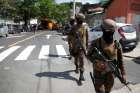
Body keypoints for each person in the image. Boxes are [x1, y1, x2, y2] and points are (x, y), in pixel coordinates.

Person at [87, 19, 126, 93]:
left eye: (112, 32)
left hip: (111, 75)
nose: (111, 33)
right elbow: (88, 55)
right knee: (100, 91)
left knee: (108, 91)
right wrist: (96, 62)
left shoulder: (117, 44)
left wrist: (123, 74)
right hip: (99, 74)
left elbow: (120, 61)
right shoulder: (96, 43)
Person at [70, 13, 89, 85]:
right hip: (75, 47)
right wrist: (71, 45)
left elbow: (87, 37)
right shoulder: (73, 27)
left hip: (82, 48)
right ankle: (76, 67)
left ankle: (81, 76)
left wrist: (86, 47)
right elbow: (70, 36)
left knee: (82, 61)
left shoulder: (85, 27)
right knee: (76, 60)